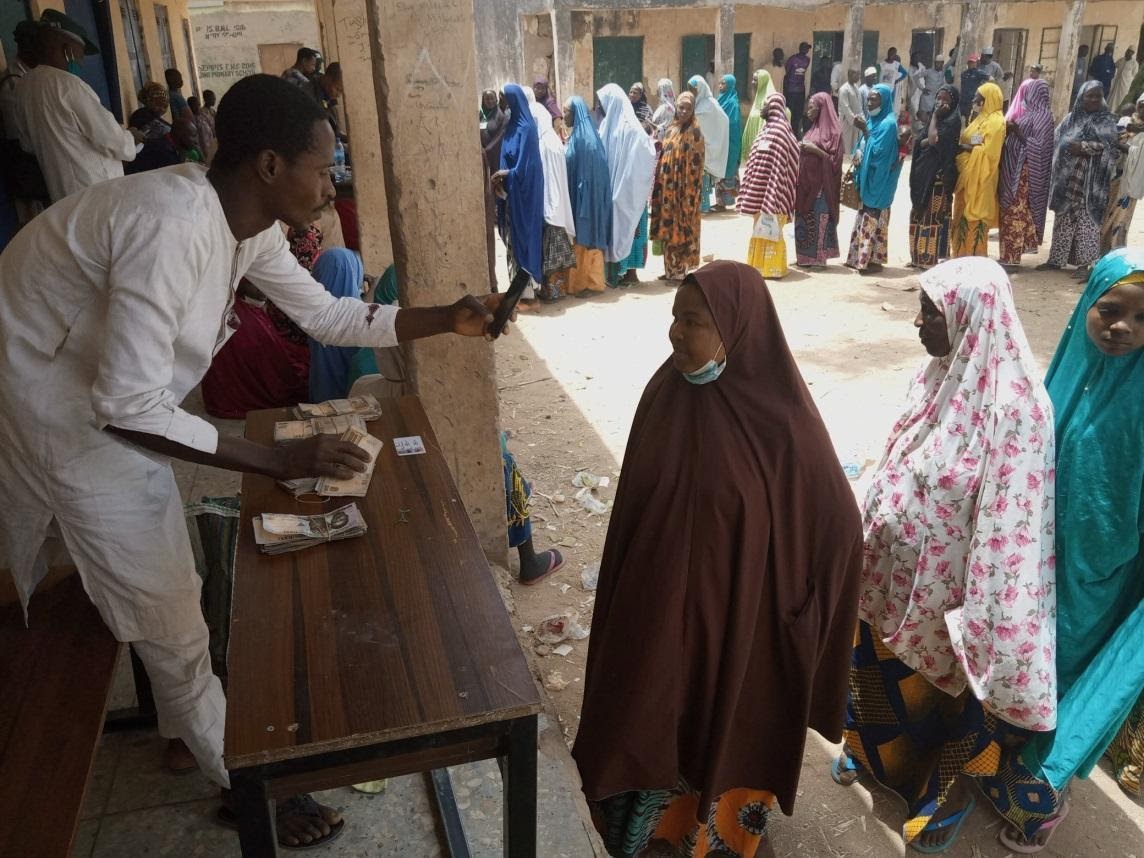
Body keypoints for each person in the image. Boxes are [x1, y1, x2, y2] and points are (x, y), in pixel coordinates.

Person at [0, 72, 513, 849]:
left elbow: (329, 314)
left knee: (164, 587)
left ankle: (186, 720)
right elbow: (129, 408)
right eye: (323, 165)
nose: (329, 182)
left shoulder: (245, 226)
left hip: (95, 393)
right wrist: (277, 459)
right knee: (168, 606)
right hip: (58, 409)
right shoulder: (173, 225)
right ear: (270, 166)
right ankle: (241, 785)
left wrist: (450, 319)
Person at [573, 259, 862, 858]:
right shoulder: (665, 394)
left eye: (695, 321)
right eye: (675, 318)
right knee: (649, 710)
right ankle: (650, 833)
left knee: (722, 716)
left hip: (736, 619)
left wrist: (801, 606)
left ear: (736, 330)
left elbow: (838, 522)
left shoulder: (782, 422)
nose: (677, 333)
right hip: (656, 611)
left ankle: (715, 837)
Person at [835, 256, 1057, 854]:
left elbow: (1011, 533)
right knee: (875, 684)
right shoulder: (938, 374)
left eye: (931, 313)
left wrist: (988, 630)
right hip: (889, 586)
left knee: (936, 714)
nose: (918, 323)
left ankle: (932, 803)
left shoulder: (1018, 413)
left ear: (971, 318)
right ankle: (869, 757)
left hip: (944, 610)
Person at [981, 247, 1144, 853]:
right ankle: (995, 755)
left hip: (1100, 579)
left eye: (1142, 319)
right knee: (1023, 666)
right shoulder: (1058, 381)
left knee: (1068, 677)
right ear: (1085, 308)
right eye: (1109, 309)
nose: (1122, 327)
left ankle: (1041, 793)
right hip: (1033, 559)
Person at [13, 11, 141, 202]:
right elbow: (111, 139)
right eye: (80, 56)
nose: (80, 63)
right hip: (97, 192)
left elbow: (27, 144)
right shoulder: (69, 85)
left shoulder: (23, 87)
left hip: (62, 197)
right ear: (68, 50)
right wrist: (132, 137)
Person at [1038, 82, 1119, 278]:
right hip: (1067, 178)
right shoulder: (1070, 119)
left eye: (1097, 96)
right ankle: (1056, 260)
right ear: (1081, 97)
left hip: (1092, 182)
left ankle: (1087, 265)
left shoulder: (1106, 121)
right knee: (1064, 217)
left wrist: (1083, 147)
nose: (1093, 100)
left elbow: (1111, 148)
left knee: (1087, 220)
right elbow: (1058, 141)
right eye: (1089, 96)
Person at [597, 83, 656, 286]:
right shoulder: (607, 125)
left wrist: (627, 186)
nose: (599, 107)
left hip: (630, 190)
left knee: (632, 228)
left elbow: (646, 154)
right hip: (612, 188)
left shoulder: (632, 129)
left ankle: (631, 273)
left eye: (602, 103)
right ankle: (616, 273)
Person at [738, 93, 799, 279]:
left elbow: (788, 159)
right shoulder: (765, 130)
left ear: (774, 107)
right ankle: (757, 267)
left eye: (766, 105)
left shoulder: (781, 131)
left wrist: (775, 191)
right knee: (759, 230)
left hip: (775, 191)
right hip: (759, 191)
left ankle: (773, 269)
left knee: (771, 231)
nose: (762, 108)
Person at [845, 83, 904, 273]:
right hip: (867, 178)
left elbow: (879, 153)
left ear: (884, 100)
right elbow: (863, 146)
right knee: (865, 215)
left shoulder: (888, 124)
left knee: (874, 215)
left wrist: (864, 131)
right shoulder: (872, 120)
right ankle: (860, 257)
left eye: (874, 99)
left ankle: (870, 260)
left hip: (880, 181)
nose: (869, 103)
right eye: (868, 99)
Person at [491, 84, 544, 290]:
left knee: (525, 240)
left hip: (525, 196)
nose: (501, 101)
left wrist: (507, 174)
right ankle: (517, 292)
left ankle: (529, 293)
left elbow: (529, 168)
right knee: (513, 243)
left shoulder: (528, 128)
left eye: (503, 97)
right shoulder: (511, 126)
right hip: (510, 194)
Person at [999, 78, 1055, 268]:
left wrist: (1016, 130)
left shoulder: (1044, 117)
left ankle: (1012, 257)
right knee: (1009, 213)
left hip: (1025, 175)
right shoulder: (1029, 113)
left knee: (1015, 213)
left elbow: (1038, 147)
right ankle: (1007, 254)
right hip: (1015, 170)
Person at [650, 92, 704, 282]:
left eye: (687, 108)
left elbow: (696, 169)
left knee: (681, 229)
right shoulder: (672, 128)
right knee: (668, 228)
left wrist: (687, 194)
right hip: (667, 190)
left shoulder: (695, 133)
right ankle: (670, 269)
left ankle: (680, 271)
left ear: (693, 110)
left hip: (684, 193)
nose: (683, 111)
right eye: (680, 107)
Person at [908, 84, 961, 269]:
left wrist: (936, 119)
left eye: (946, 99)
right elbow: (922, 141)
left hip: (939, 178)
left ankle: (928, 258)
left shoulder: (952, 122)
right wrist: (927, 138)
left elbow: (931, 140)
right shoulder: (933, 119)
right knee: (917, 213)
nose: (941, 102)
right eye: (939, 98)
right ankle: (916, 257)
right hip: (923, 175)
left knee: (932, 215)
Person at [563, 95, 612, 296]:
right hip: (579, 195)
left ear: (576, 114)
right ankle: (578, 283)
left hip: (587, 199)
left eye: (566, 112)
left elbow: (592, 174)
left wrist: (585, 199)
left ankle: (592, 283)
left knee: (588, 237)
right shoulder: (577, 136)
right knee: (580, 238)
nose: (563, 116)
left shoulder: (587, 140)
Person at [951, 82, 1006, 257]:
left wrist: (965, 148)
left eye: (978, 97)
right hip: (967, 175)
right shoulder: (979, 117)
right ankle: (960, 255)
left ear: (988, 99)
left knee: (976, 218)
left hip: (982, 177)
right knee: (961, 215)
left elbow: (990, 153)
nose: (974, 99)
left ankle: (975, 257)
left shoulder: (997, 122)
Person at [529, 99, 576, 300]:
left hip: (549, 204)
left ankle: (552, 292)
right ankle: (557, 291)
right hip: (559, 205)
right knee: (558, 254)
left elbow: (543, 177)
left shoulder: (542, 143)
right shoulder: (554, 140)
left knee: (550, 254)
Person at [793, 92, 842, 269]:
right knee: (804, 219)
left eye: (812, 107)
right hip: (806, 185)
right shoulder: (812, 128)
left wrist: (816, 150)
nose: (808, 110)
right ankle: (804, 257)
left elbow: (835, 162)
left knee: (819, 219)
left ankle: (819, 259)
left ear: (822, 108)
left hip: (821, 188)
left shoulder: (834, 132)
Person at [1099, 94, 1144, 252]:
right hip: (1115, 177)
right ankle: (1101, 251)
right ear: (1137, 105)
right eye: (1141, 104)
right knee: (1107, 214)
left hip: (1130, 182)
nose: (1143, 109)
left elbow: (1138, 154)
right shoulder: (1127, 122)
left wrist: (1118, 144)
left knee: (1121, 218)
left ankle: (1115, 251)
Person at [686, 75, 729, 213]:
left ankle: (702, 206)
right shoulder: (698, 103)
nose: (691, 92)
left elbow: (723, 120)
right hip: (697, 146)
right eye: (690, 89)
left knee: (701, 177)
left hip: (705, 146)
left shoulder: (709, 104)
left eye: (693, 90)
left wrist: (712, 138)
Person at [124, 81, 180, 174]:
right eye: (158, 105)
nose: (161, 109)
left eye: (164, 106)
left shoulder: (153, 117)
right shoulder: (141, 116)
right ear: (149, 101)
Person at [714, 73, 742, 209]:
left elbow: (733, 125)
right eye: (719, 83)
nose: (720, 86)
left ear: (730, 85)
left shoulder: (733, 103)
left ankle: (726, 202)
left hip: (730, 142)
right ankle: (720, 202)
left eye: (723, 83)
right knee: (719, 171)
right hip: (720, 142)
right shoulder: (720, 99)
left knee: (728, 170)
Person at [740, 68, 777, 163]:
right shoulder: (758, 96)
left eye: (755, 80)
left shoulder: (770, 98)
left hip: (764, 144)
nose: (752, 82)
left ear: (763, 81)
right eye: (752, 79)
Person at [784, 42, 811, 135]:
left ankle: (795, 133)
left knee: (798, 113)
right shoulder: (792, 59)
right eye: (805, 48)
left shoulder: (808, 60)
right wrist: (786, 90)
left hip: (801, 91)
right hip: (791, 91)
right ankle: (788, 132)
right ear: (800, 48)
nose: (807, 50)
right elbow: (786, 75)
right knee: (790, 112)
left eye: (807, 49)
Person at [311, 62, 343, 138]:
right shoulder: (309, 95)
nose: (339, 95)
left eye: (342, 92)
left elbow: (335, 131)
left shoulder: (328, 96)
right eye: (338, 89)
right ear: (327, 78)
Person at [838, 68, 863, 157]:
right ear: (850, 75)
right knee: (846, 146)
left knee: (855, 146)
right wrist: (854, 120)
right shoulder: (844, 89)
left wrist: (861, 119)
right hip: (847, 122)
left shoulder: (856, 88)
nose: (858, 77)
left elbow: (859, 106)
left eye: (859, 75)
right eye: (856, 75)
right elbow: (845, 107)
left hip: (856, 122)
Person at [916, 55, 945, 127]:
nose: (937, 64)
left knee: (933, 119)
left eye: (939, 63)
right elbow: (915, 77)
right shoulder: (929, 71)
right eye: (936, 63)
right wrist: (922, 88)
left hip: (936, 98)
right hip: (926, 97)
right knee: (923, 119)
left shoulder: (943, 72)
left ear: (942, 63)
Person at [187, 95, 216, 162]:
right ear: (189, 107)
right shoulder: (192, 121)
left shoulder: (201, 116)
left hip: (210, 145)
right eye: (195, 105)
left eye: (198, 105)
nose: (198, 107)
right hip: (203, 150)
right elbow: (199, 140)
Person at [880, 47, 908, 115]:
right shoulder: (882, 64)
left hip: (891, 90)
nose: (892, 55)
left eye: (894, 53)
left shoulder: (897, 65)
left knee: (889, 108)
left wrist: (897, 80)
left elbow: (905, 73)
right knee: (881, 107)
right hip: (881, 90)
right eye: (891, 53)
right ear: (888, 53)